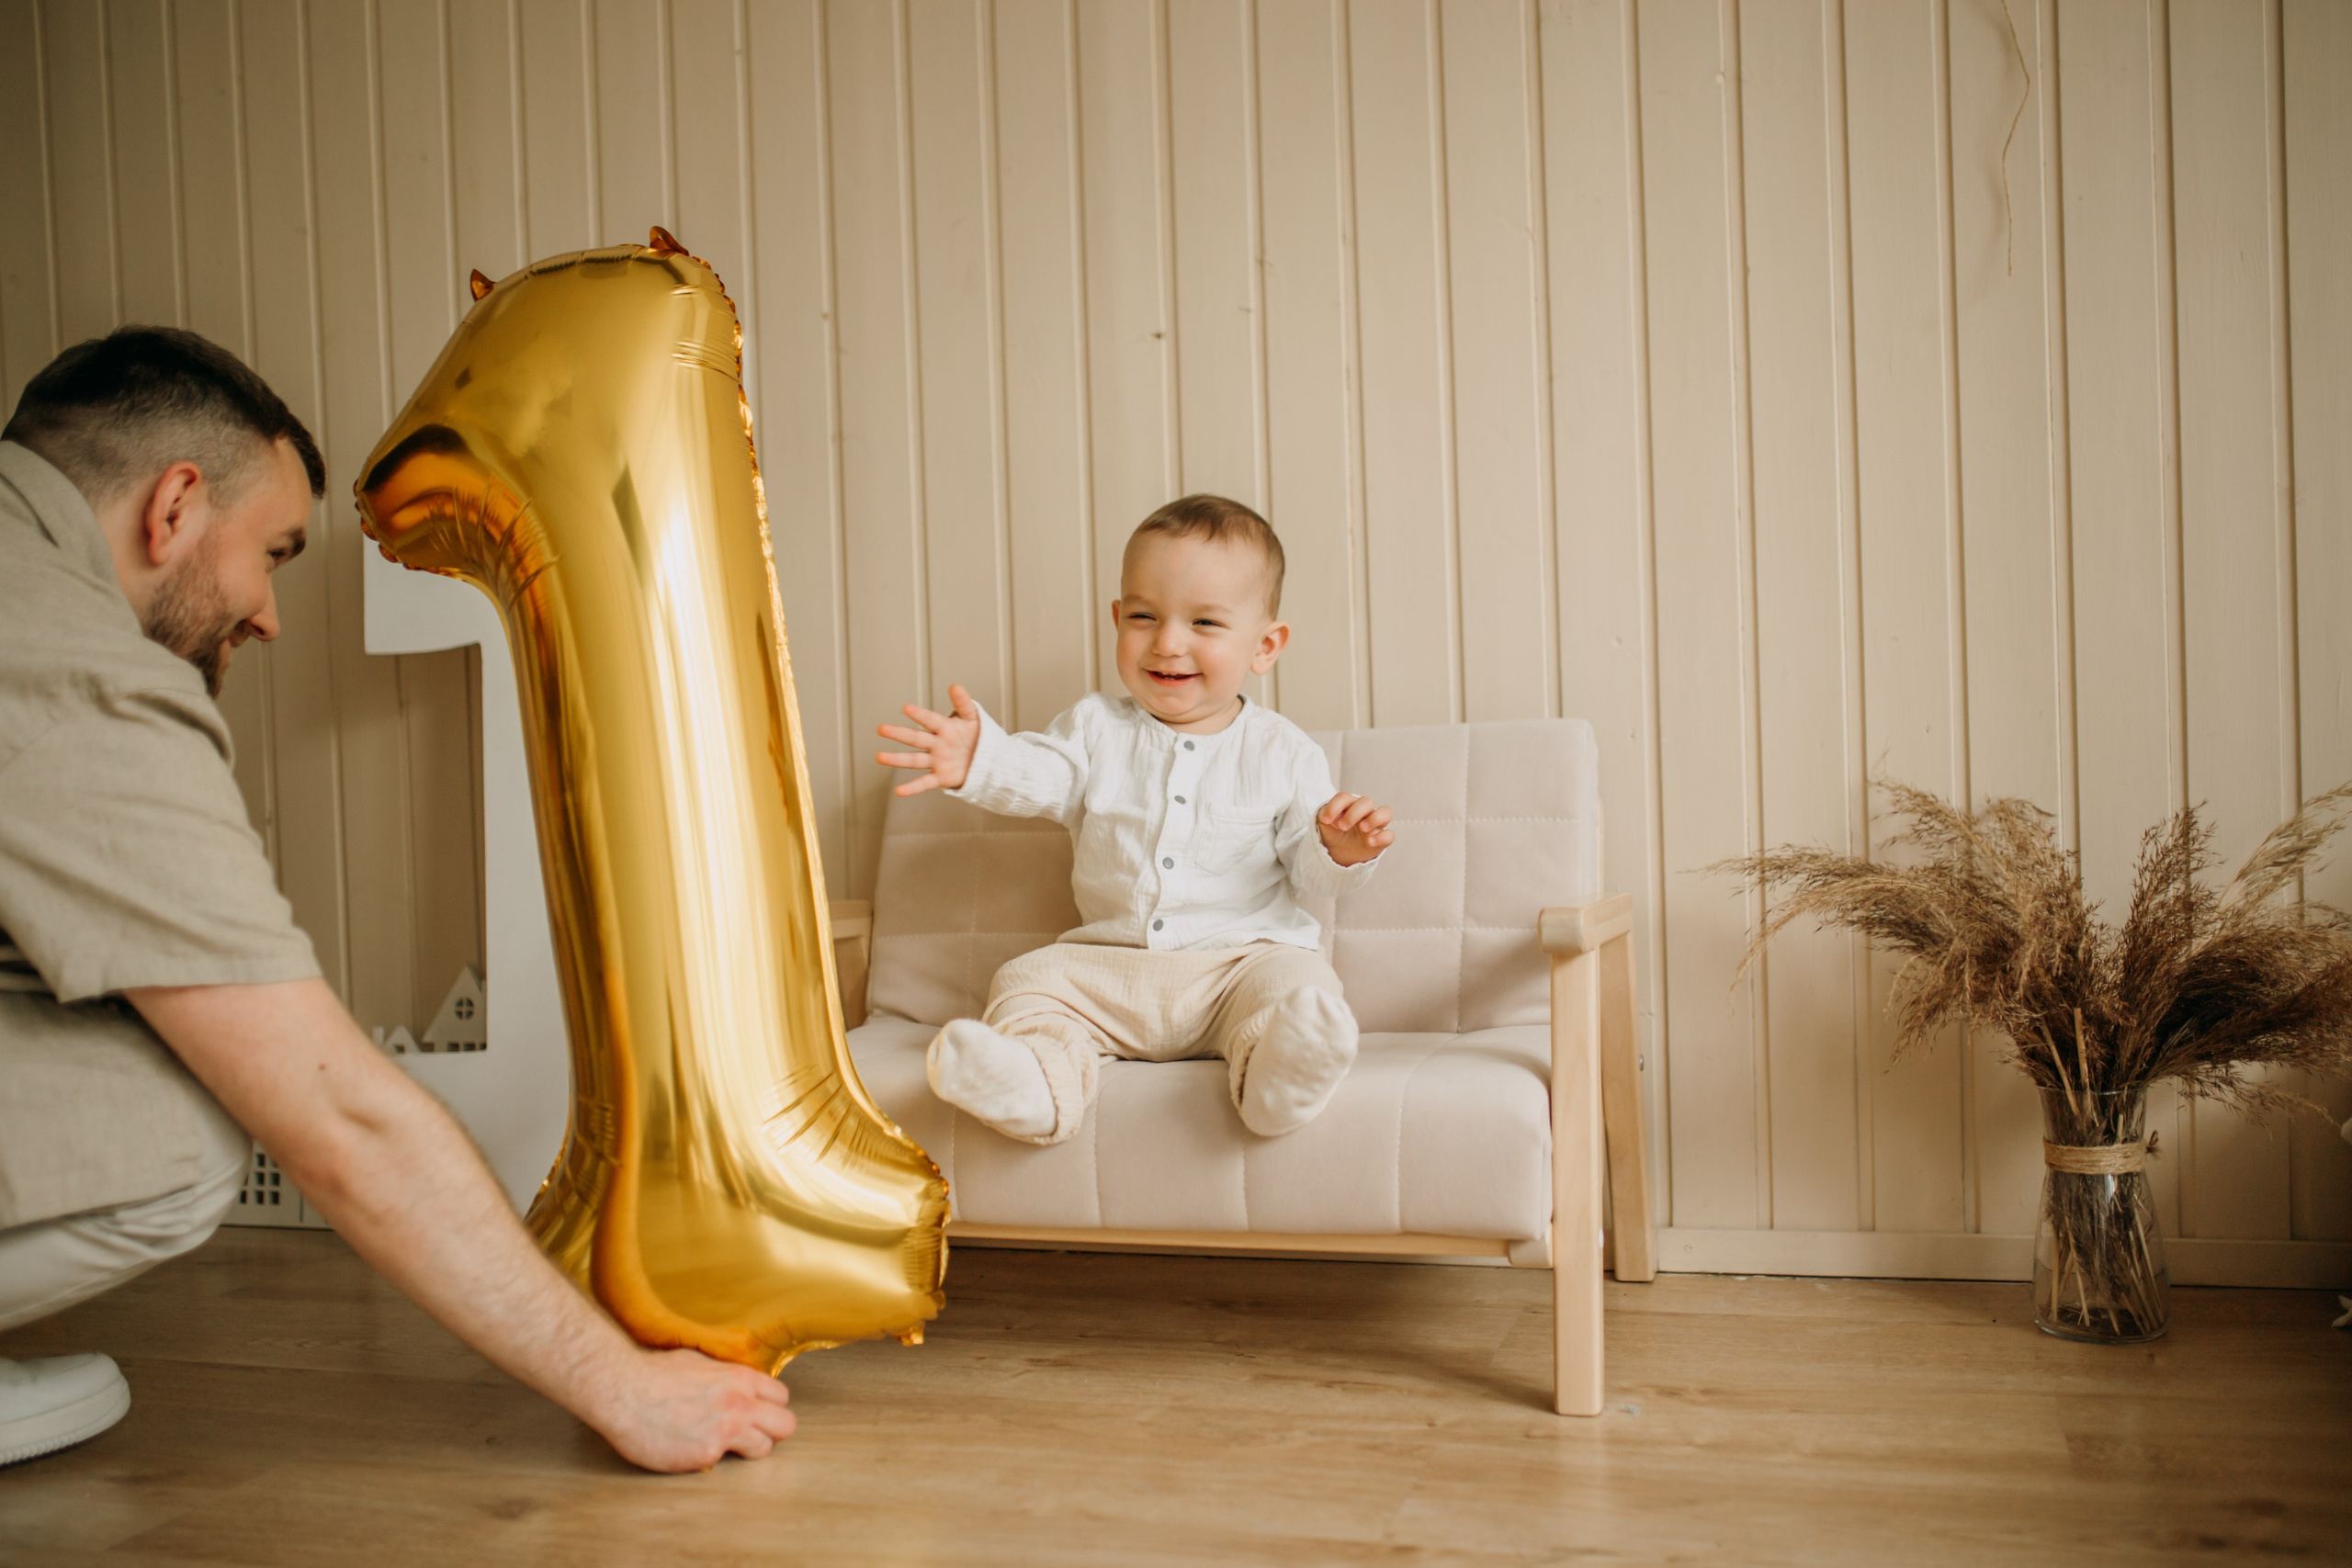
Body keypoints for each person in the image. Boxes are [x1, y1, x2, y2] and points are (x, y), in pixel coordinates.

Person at [0, 328, 795, 1472]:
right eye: (272, 551)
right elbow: (332, 1116)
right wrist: (619, 1385)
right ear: (173, 506)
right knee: (195, 1113)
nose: (270, 614)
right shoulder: (76, 668)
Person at [876, 494, 1395, 1145]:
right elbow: (1042, 774)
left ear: (1264, 646)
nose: (1168, 642)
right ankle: (1033, 1083)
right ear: (1118, 618)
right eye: (1145, 616)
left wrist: (1340, 847)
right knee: (1026, 980)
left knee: (1300, 980)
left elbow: (1311, 868)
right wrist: (981, 757)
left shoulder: (1284, 751)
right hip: (1111, 971)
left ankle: (1280, 1079)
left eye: (1204, 622)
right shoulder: (1094, 727)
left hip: (1235, 971)